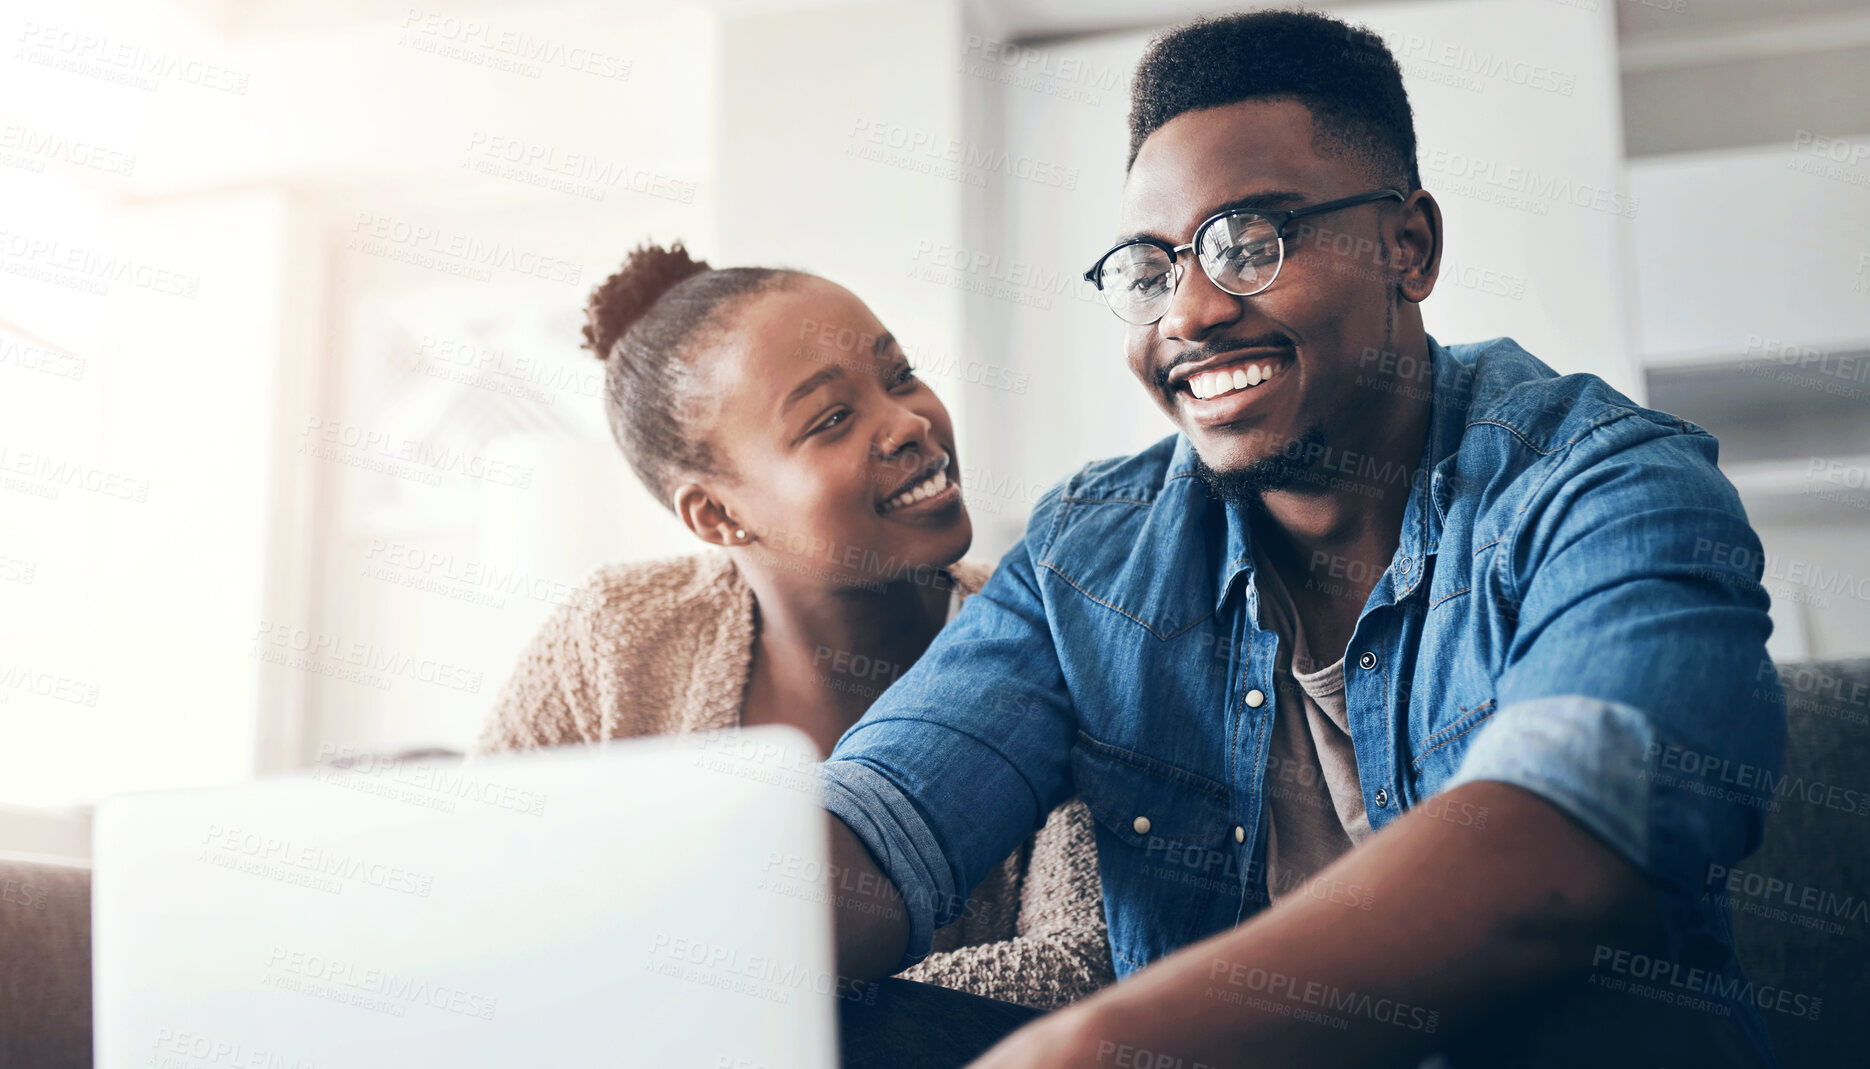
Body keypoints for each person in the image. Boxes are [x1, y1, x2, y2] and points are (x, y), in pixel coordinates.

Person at [814, 11, 1785, 1069]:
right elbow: (887, 821)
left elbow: (1562, 853)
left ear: (1405, 247)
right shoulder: (1085, 554)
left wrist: (1097, 1043)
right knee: (832, 1023)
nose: (1188, 313)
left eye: (1250, 243)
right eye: (1150, 268)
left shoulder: (1606, 484)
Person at [473, 242, 1114, 1010]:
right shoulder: (613, 637)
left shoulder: (1053, 642)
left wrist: (718, 1000)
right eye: (832, 418)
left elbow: (1077, 971)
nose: (910, 421)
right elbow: (482, 901)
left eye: (900, 374)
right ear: (716, 513)